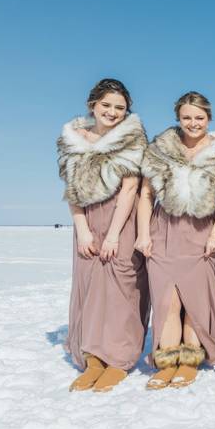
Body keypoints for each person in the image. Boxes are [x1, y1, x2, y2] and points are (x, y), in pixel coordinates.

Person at [57, 78, 149, 392]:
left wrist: (113, 234)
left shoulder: (132, 138)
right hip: (88, 219)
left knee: (122, 286)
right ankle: (93, 357)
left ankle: (119, 358)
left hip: (121, 220)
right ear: (92, 105)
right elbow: (72, 190)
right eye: (106, 105)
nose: (112, 112)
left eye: (119, 108)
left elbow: (131, 187)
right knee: (90, 285)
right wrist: (82, 230)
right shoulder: (74, 138)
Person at [135, 91, 215, 390]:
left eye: (199, 117)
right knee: (168, 300)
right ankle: (166, 361)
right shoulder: (161, 149)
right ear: (178, 117)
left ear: (209, 118)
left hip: (202, 233)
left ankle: (189, 360)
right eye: (187, 117)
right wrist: (143, 233)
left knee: (194, 299)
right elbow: (146, 194)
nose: (193, 123)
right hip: (165, 231)